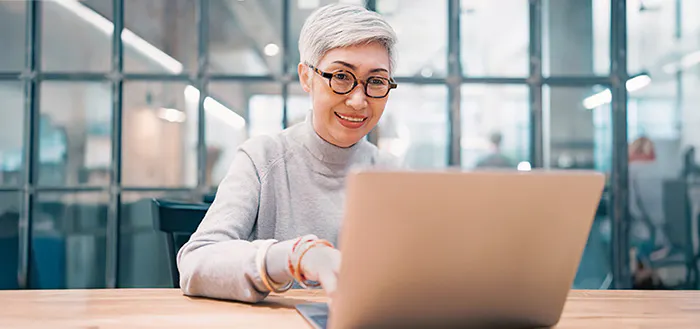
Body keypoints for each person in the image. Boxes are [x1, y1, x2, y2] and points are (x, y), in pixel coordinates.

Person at [176, 4, 399, 303]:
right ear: (306, 77)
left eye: (376, 81)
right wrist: (296, 256)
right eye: (342, 76)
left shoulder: (392, 174)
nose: (358, 101)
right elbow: (196, 261)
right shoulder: (263, 158)